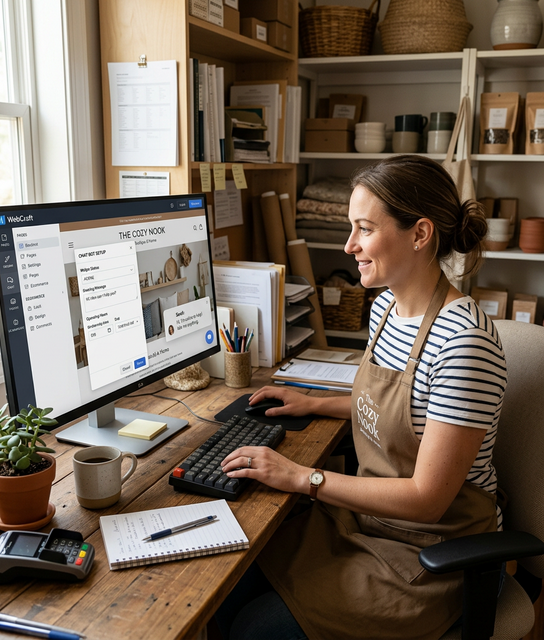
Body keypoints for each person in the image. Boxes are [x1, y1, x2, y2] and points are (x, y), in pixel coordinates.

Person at [216, 155, 507, 640]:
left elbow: (426, 500)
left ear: (420, 234)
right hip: (368, 523)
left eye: (365, 229)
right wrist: (315, 402)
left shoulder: (465, 342)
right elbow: (399, 407)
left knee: (255, 629)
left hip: (436, 551)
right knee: (229, 586)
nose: (349, 245)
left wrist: (299, 476)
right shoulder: (387, 308)